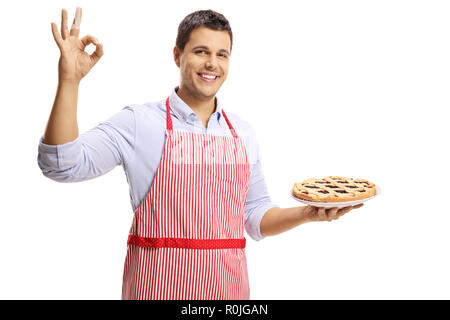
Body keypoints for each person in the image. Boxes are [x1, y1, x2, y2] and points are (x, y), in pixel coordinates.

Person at [38, 7, 364, 300]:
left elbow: (254, 216)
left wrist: (308, 213)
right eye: (201, 51)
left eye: (222, 54)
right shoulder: (140, 123)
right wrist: (69, 80)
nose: (212, 63)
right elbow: (62, 165)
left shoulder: (243, 133)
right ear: (177, 55)